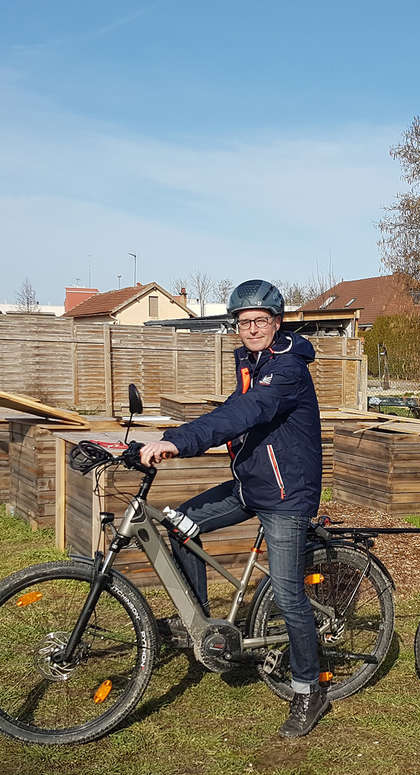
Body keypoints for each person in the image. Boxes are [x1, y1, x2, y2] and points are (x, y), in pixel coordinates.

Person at [139, 279, 326, 738]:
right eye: (243, 323)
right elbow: (230, 409)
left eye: (260, 321)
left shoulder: (287, 370)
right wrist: (162, 438)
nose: (252, 329)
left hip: (286, 495)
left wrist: (179, 442)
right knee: (180, 522)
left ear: (277, 322)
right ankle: (201, 627)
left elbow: (248, 413)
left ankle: (308, 688)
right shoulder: (251, 360)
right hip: (252, 483)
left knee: (288, 597)